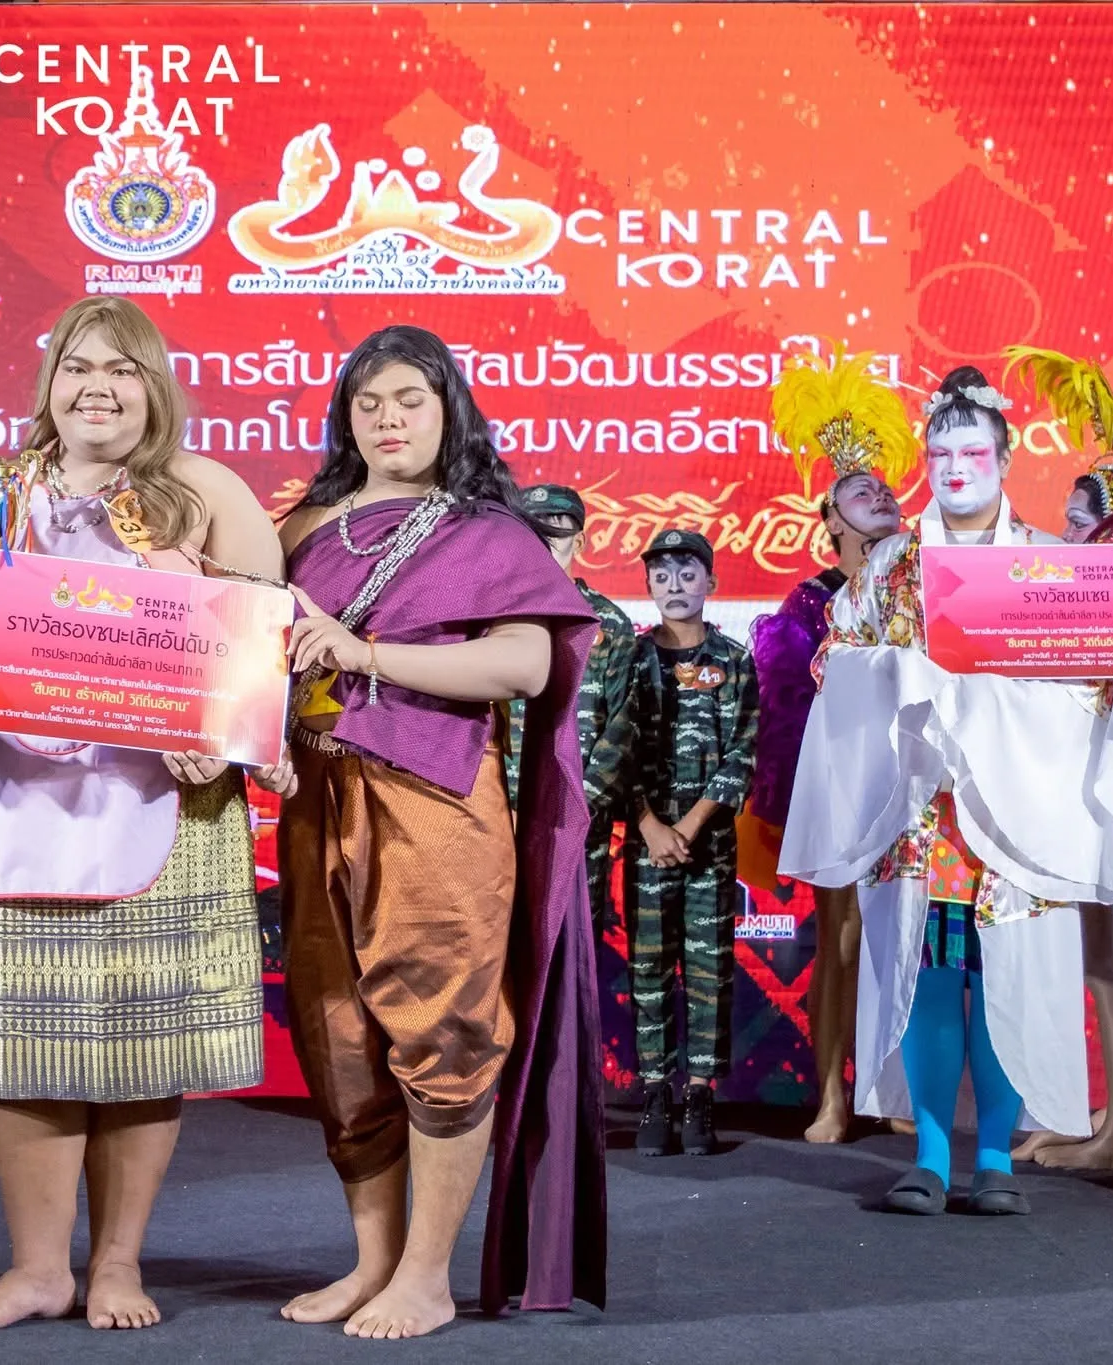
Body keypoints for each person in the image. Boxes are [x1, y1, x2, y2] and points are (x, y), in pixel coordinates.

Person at [0, 296, 286, 1334]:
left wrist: (225, 729)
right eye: (78, 366)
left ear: (154, 386)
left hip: (160, 798)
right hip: (12, 796)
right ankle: (37, 1267)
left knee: (139, 1037)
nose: (98, 388)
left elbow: (265, 632)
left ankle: (117, 1261)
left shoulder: (202, 489)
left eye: (122, 369)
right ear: (50, 382)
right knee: (23, 1038)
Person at [278, 325, 605, 1338]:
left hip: (435, 803)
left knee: (444, 1028)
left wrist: (365, 655)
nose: (387, 419)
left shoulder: (487, 532)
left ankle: (427, 1275)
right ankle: (373, 1263)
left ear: (447, 410)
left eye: (409, 400)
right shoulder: (303, 529)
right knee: (337, 1035)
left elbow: (523, 666)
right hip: (315, 799)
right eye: (367, 402)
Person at [782, 364, 1113, 1217]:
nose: (956, 468)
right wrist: (899, 672)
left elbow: (1096, 683)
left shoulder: (1050, 563)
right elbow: (834, 661)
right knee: (926, 971)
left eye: (973, 452)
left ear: (1005, 457)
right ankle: (929, 1154)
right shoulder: (889, 566)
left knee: (1005, 979)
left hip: (1019, 810)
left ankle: (993, 1155)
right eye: (941, 453)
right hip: (921, 810)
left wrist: (1009, 696)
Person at [753, 350, 911, 1143]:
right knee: (842, 939)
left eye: (884, 487)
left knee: (909, 940)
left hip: (913, 786)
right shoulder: (810, 602)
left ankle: (902, 1095)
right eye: (859, 491)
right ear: (833, 522)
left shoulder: (924, 581)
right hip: (845, 785)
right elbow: (787, 716)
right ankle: (831, 1099)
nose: (878, 493)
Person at [1006, 347, 1113, 1172]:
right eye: (1066, 520)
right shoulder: (1078, 591)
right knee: (1100, 946)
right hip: (1093, 782)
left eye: (1080, 521)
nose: (1068, 534)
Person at [613, 529, 759, 1157]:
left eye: (688, 573)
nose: (675, 585)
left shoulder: (735, 660)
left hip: (709, 843)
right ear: (648, 586)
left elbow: (742, 754)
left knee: (708, 968)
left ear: (711, 583)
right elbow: (613, 751)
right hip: (646, 841)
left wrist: (690, 826)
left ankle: (699, 1094)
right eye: (662, 575)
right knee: (648, 966)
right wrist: (649, 826)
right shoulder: (629, 658)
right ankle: (654, 1093)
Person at [515, 484, 637, 930]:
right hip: (502, 815)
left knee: (573, 940)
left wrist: (574, 804)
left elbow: (623, 726)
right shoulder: (495, 617)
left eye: (557, 532)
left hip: (578, 819)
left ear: (580, 542)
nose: (545, 543)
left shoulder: (609, 623)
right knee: (500, 941)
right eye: (533, 532)